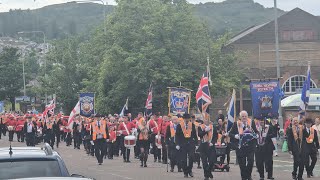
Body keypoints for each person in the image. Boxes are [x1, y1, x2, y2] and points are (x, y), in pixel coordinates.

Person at [229, 110, 258, 180]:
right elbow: (230, 134)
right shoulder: (236, 124)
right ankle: (244, 177)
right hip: (240, 146)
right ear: (240, 117)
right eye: (243, 116)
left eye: (245, 116)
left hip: (250, 146)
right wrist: (235, 136)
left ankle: (248, 175)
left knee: (251, 161)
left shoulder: (251, 122)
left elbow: (256, 131)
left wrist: (256, 134)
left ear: (247, 116)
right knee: (242, 164)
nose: (244, 118)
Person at [175, 113, 197, 178]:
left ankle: (189, 170)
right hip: (182, 144)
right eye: (186, 119)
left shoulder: (192, 125)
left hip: (190, 144)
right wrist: (177, 144)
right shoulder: (179, 125)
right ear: (183, 119)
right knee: (183, 160)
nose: (187, 120)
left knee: (191, 157)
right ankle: (185, 172)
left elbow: (194, 134)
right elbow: (177, 135)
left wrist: (196, 143)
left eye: (188, 118)